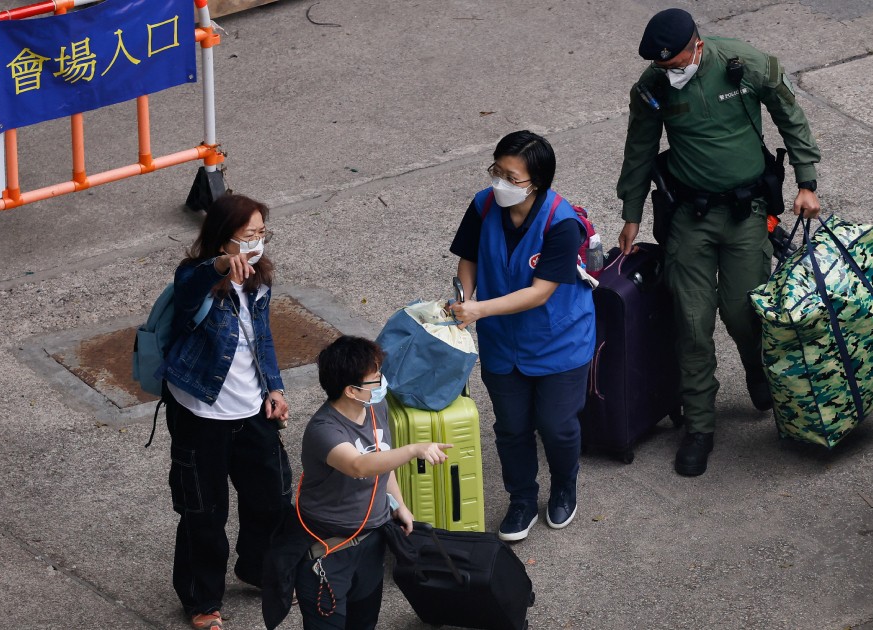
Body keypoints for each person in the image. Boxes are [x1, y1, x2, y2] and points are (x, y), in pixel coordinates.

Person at [616, 8, 823, 477]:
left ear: (697, 47)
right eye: (662, 67)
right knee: (692, 323)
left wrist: (806, 181)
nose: (670, 73)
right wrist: (631, 213)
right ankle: (700, 427)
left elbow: (789, 112)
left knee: (744, 311)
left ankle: (758, 371)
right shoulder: (651, 89)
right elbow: (639, 150)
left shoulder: (745, 64)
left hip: (746, 213)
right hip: (690, 216)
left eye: (676, 64)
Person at [449, 130, 596, 542]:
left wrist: (477, 309)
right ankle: (522, 499)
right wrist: (464, 296)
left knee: (557, 424)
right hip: (502, 339)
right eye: (498, 171)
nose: (501, 183)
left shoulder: (562, 223)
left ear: (537, 182)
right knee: (511, 426)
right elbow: (469, 257)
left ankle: (565, 486)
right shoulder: (483, 205)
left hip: (559, 341)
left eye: (512, 178)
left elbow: (540, 292)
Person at [161, 193, 293, 629]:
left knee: (272, 497)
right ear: (222, 240)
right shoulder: (197, 277)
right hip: (201, 414)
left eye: (261, 234)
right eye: (247, 236)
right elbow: (190, 286)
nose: (256, 244)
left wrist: (274, 387)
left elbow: (264, 338)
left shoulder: (260, 279)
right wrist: (219, 267)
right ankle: (203, 602)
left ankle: (254, 567)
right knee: (204, 511)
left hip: (252, 409)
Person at [261, 335, 451, 630]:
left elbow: (383, 461)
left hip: (371, 543)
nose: (382, 384)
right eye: (375, 380)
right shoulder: (324, 431)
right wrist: (414, 449)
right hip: (328, 548)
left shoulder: (376, 408)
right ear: (351, 390)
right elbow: (359, 465)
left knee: (364, 622)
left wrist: (399, 504)